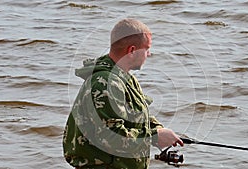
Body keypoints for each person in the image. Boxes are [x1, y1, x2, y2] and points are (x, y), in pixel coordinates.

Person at [63, 18, 184, 169]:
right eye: (147, 49)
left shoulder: (124, 78)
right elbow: (112, 137)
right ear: (132, 50)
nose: (149, 54)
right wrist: (153, 136)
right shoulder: (105, 84)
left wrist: (158, 129)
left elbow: (135, 115)